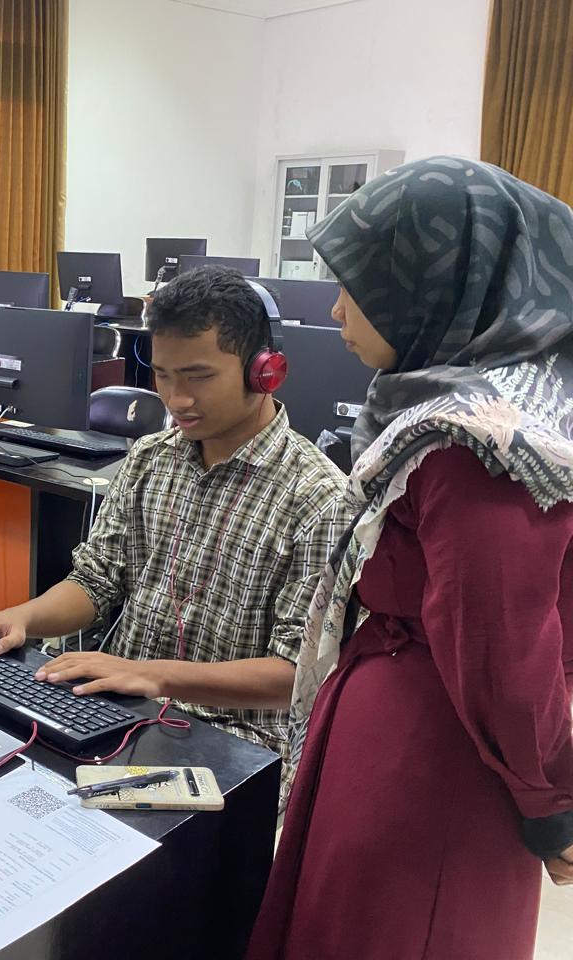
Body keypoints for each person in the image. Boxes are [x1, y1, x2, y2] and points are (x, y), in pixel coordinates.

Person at [245, 157, 573, 960]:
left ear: (439, 284)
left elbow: (504, 653)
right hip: (409, 724)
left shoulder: (480, 443)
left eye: (359, 285)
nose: (336, 307)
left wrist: (554, 799)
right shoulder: (482, 406)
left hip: (436, 757)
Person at [0, 266, 348, 761]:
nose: (177, 400)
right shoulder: (151, 457)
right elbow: (96, 582)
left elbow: (296, 673)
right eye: (163, 375)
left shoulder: (319, 498)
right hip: (120, 708)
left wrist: (154, 674)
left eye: (198, 376)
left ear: (265, 371)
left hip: (234, 744)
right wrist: (18, 617)